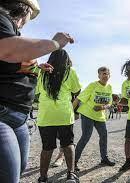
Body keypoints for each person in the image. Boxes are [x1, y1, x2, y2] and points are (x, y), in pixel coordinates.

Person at [0, 1, 74, 182]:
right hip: (3, 112)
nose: (27, 21)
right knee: (9, 177)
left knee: (18, 169)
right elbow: (7, 51)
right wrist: (55, 43)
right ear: (23, 9)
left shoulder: (12, 31)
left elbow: (11, 63)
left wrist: (36, 67)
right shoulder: (1, 19)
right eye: (30, 16)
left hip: (20, 116)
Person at [36, 49, 81, 183]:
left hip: (45, 115)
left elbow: (36, 91)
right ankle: (71, 174)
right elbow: (76, 90)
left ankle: (43, 177)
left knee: (47, 147)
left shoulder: (41, 72)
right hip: (64, 114)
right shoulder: (70, 72)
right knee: (68, 144)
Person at [74, 67, 115, 171]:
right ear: (99, 76)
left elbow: (109, 103)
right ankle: (73, 162)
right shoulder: (93, 85)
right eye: (103, 74)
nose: (105, 76)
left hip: (99, 116)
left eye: (107, 74)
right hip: (87, 114)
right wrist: (71, 112)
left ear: (109, 75)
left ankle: (104, 158)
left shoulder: (109, 87)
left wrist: (102, 107)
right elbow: (79, 98)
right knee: (86, 137)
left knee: (104, 135)